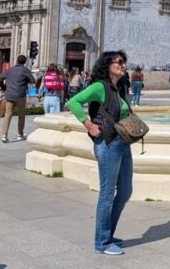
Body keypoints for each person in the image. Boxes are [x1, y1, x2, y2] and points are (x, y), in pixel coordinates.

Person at [67, 50, 133, 255]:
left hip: (123, 143)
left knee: (125, 191)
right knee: (107, 193)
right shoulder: (99, 87)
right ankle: (102, 242)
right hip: (107, 143)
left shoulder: (118, 87)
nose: (123, 65)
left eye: (123, 62)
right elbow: (73, 102)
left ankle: (108, 234)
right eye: (119, 62)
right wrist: (88, 124)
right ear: (107, 66)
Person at [0, 55, 35, 143]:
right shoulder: (25, 70)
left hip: (9, 95)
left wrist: (3, 87)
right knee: (21, 115)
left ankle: (4, 135)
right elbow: (32, 80)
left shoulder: (10, 70)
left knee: (8, 114)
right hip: (20, 95)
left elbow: (0, 78)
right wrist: (25, 81)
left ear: (17, 60)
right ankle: (20, 134)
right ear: (25, 62)